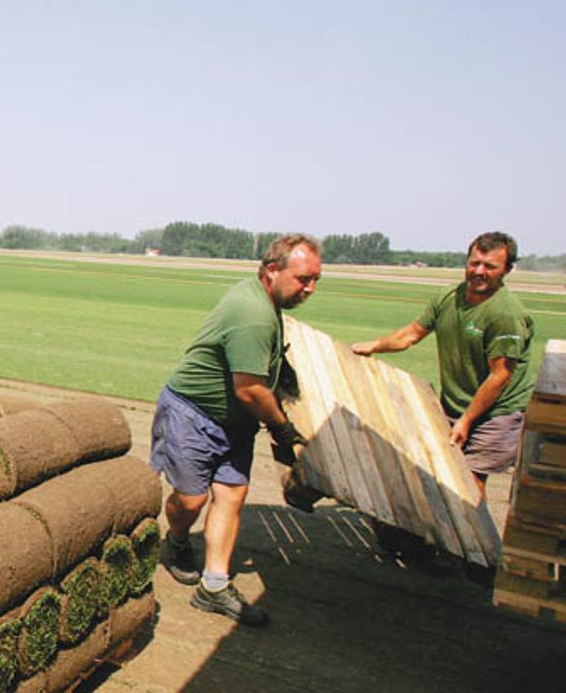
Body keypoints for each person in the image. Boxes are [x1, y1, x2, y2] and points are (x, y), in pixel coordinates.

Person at [149, 233, 323, 626]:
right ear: (272, 270)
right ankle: (176, 541)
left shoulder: (262, 298)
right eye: (302, 279)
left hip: (235, 422)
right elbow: (249, 390)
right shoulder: (254, 313)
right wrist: (283, 429)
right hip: (193, 414)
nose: (310, 289)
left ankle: (213, 586)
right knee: (190, 502)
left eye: (316, 280)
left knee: (231, 495)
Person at [351, 231, 534, 502]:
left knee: (470, 484)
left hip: (496, 412)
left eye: (489, 266)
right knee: (437, 472)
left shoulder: (505, 314)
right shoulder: (449, 297)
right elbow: (411, 334)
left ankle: (471, 543)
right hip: (456, 404)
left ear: (507, 270)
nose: (479, 271)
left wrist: (467, 420)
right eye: (474, 263)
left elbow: (500, 376)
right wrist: (372, 346)